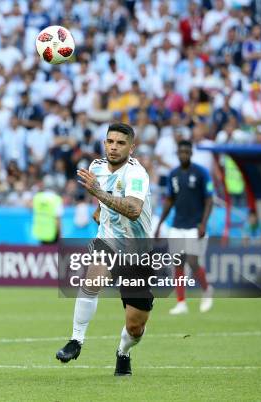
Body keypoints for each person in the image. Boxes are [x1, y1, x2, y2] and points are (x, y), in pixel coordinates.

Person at [56, 123, 153, 376]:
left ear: (132, 148)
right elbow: (103, 197)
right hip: (108, 241)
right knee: (92, 279)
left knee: (135, 327)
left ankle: (124, 351)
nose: (114, 147)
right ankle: (76, 340)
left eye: (121, 143)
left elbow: (133, 210)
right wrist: (100, 208)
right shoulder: (96, 167)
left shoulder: (137, 174)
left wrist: (99, 193)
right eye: (110, 141)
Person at [155, 140, 214, 315]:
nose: (184, 155)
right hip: (177, 225)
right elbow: (169, 200)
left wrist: (203, 223)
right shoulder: (173, 174)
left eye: (187, 152)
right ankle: (181, 303)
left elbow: (209, 200)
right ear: (177, 153)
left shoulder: (201, 173)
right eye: (181, 152)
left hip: (194, 225)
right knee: (178, 263)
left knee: (193, 262)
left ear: (191, 153)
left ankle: (206, 289)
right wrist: (159, 225)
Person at [31, 176, 63, 244]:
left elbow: (28, 205)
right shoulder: (56, 199)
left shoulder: (37, 197)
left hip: (40, 232)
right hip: (52, 233)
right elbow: (58, 219)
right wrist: (60, 234)